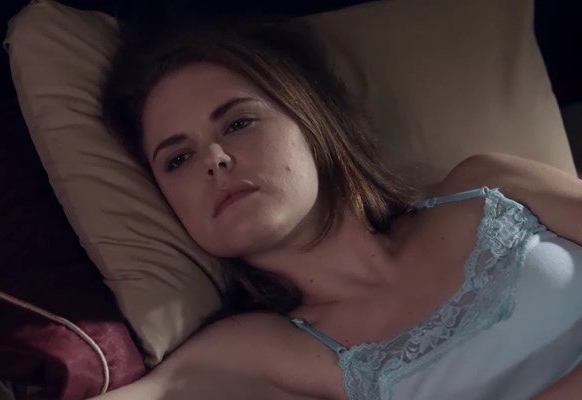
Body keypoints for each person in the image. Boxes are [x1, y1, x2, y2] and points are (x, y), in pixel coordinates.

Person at [97, 18, 582, 400]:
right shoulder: (256, 349)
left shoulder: (490, 185)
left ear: (310, 120)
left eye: (239, 122)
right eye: (178, 159)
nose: (214, 158)